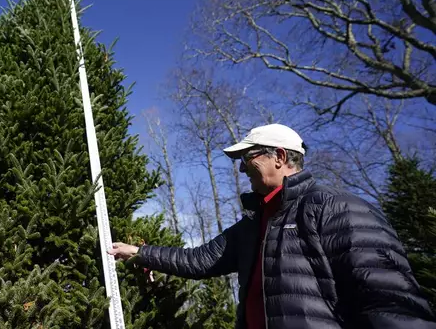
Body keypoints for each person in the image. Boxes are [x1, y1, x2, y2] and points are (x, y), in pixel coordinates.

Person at [108, 123, 436, 329]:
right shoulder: (252, 224)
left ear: (279, 157)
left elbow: (389, 300)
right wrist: (140, 253)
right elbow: (200, 260)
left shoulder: (336, 208)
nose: (241, 170)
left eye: (248, 159)